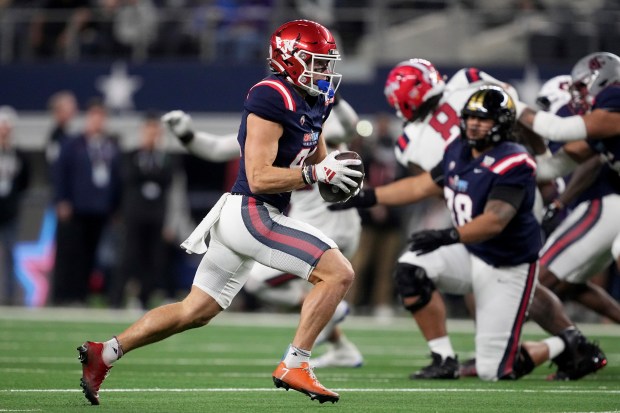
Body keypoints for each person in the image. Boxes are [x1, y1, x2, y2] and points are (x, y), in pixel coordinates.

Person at [77, 19, 362, 406]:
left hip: (252, 217)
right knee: (338, 273)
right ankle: (296, 363)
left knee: (194, 310)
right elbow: (259, 178)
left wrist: (337, 181)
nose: (325, 71)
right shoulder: (270, 95)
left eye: (327, 62)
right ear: (290, 59)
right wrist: (315, 173)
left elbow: (317, 162)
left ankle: (105, 352)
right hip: (251, 212)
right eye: (317, 61)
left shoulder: (317, 99)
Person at [334, 85, 605, 381]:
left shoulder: (515, 161)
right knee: (412, 266)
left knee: (495, 370)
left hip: (506, 264)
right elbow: (421, 186)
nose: (474, 124)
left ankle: (571, 344)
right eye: (471, 117)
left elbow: (495, 221)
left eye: (484, 118)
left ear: (502, 122)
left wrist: (446, 236)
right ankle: (444, 358)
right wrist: (366, 197)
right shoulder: (459, 149)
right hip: (472, 250)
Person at [161, 96, 364, 369]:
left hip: (328, 223)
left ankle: (305, 350)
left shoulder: (313, 124)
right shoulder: (270, 128)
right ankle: (341, 347)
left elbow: (349, 127)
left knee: (263, 281)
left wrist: (334, 100)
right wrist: (186, 135)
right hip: (315, 222)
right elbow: (217, 149)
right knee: (313, 287)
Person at [519, 51, 620, 325]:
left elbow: (560, 131)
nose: (579, 97)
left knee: (536, 281)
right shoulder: (599, 127)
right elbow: (555, 166)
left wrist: (515, 107)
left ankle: (568, 348)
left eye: (582, 87)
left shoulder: (613, 97)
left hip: (604, 204)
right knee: (568, 282)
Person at [51, 97, 122, 306]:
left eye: (102, 117)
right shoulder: (73, 144)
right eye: (95, 116)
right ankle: (64, 295)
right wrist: (62, 199)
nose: (98, 121)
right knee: (71, 253)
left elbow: (117, 179)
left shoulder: (110, 146)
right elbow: (60, 173)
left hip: (100, 210)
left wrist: (115, 207)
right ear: (88, 118)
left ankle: (81, 295)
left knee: (91, 255)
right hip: (76, 208)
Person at [109, 111, 177, 309]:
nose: (152, 135)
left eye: (155, 131)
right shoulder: (131, 156)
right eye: (149, 131)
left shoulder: (166, 158)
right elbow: (128, 179)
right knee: (128, 257)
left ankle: (144, 298)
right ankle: (116, 298)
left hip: (156, 216)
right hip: (134, 215)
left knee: (153, 259)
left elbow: (168, 181)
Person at [0, 106, 30, 305]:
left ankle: (9, 296)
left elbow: (24, 181)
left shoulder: (18, 154)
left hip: (9, 211)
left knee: (11, 255)